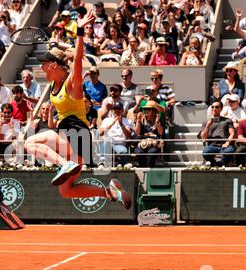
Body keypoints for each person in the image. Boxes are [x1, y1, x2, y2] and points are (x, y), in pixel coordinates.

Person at [25, 10, 131, 209]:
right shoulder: (53, 88)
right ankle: (110, 192)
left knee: (30, 142)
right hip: (71, 140)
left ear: (55, 65)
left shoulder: (72, 84)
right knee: (66, 191)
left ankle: (63, 164)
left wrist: (80, 31)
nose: (42, 68)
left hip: (76, 135)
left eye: (45, 64)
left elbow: (78, 59)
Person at [199, 100, 235, 167]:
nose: (214, 109)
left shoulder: (228, 120)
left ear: (221, 108)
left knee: (229, 152)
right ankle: (215, 163)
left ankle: (221, 163)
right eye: (212, 107)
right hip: (213, 145)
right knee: (205, 152)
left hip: (225, 144)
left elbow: (232, 133)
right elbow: (203, 138)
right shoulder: (205, 122)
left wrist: (227, 143)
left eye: (216, 107)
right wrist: (208, 125)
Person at [99, 101, 133, 166]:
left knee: (123, 152)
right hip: (108, 143)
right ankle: (102, 163)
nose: (116, 110)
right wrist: (112, 123)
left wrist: (121, 124)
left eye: (119, 108)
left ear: (122, 110)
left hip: (120, 144)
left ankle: (123, 166)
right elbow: (101, 133)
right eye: (115, 108)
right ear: (112, 110)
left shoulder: (128, 121)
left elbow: (128, 135)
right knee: (106, 141)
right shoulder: (106, 120)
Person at [134, 100, 165, 167]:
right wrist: (138, 121)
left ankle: (149, 168)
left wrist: (157, 123)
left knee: (152, 152)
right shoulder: (141, 120)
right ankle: (142, 167)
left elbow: (161, 133)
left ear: (153, 111)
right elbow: (137, 133)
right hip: (142, 143)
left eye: (148, 109)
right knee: (139, 152)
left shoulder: (158, 120)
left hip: (154, 144)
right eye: (145, 109)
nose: (146, 111)